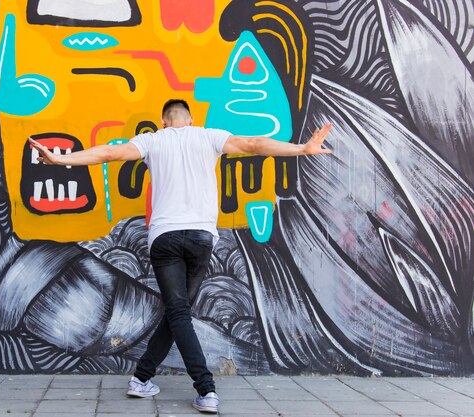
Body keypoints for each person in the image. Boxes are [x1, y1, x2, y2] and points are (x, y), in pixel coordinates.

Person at [29, 99, 332, 414]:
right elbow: (255, 144)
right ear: (191, 119)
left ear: (162, 121)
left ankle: (155, 381)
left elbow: (108, 153)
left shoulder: (152, 140)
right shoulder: (208, 136)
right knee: (179, 312)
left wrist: (59, 158)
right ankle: (191, 386)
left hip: (165, 238)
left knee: (177, 313)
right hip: (200, 238)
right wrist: (301, 149)